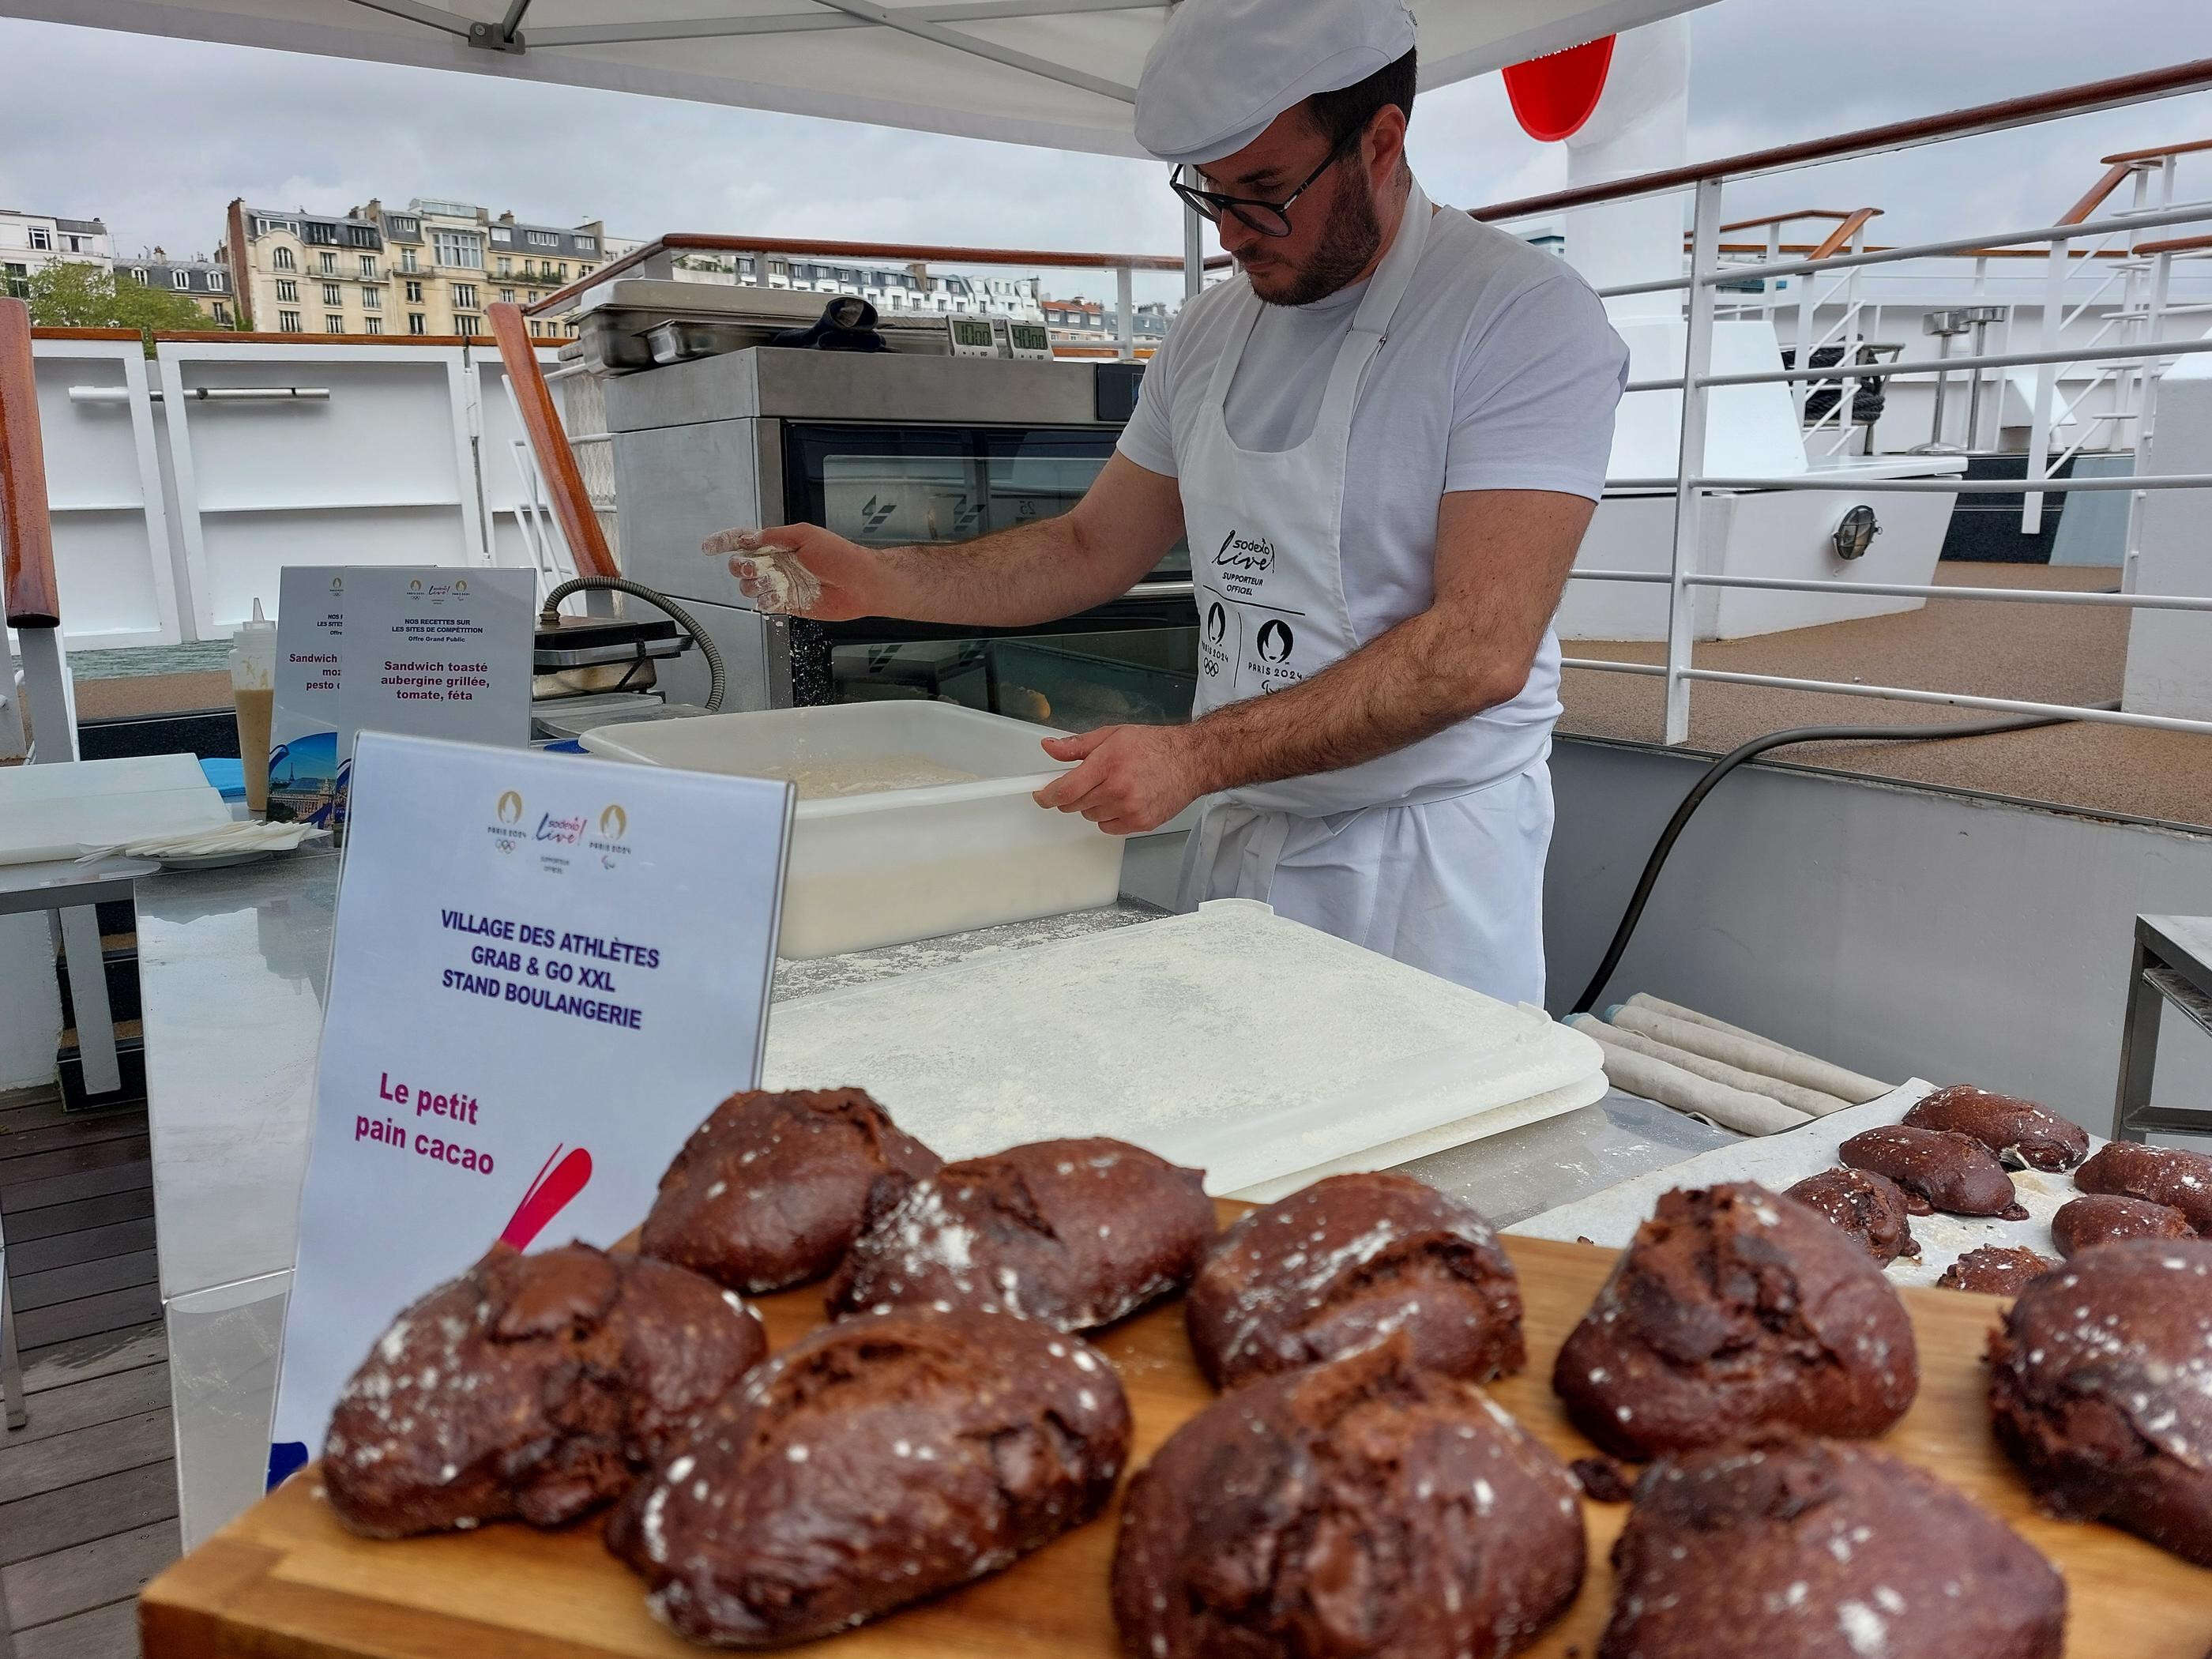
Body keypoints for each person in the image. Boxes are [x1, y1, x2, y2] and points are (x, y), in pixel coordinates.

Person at [721, 0, 1627, 1003]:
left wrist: (1195, 755)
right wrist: (881, 579)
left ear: (1380, 143)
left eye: (1267, 191)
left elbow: (1479, 648)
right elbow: (1087, 546)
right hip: (1240, 835)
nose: (1235, 234)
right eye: (1212, 196)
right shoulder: (1207, 335)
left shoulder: (1517, 317)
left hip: (1421, 866)